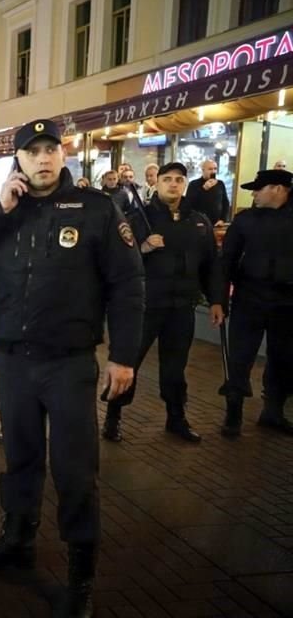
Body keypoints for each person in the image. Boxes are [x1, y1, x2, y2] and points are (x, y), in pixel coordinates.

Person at [0, 119, 144, 618]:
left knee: (75, 470)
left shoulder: (97, 208)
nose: (44, 159)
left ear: (63, 153)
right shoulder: (4, 210)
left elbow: (128, 285)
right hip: (13, 361)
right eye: (33, 153)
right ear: (19, 161)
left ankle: (81, 572)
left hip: (69, 363)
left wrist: (123, 356)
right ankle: (17, 538)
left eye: (51, 149)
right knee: (21, 459)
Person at [102, 162, 225, 443]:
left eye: (179, 180)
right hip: (144, 307)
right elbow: (117, 263)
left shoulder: (198, 221)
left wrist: (216, 300)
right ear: (156, 183)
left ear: (184, 184)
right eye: (167, 179)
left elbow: (210, 265)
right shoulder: (136, 218)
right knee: (128, 362)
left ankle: (176, 417)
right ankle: (113, 415)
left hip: (182, 306)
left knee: (175, 366)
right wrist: (143, 248)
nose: (173, 184)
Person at [219, 168, 293, 437]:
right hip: (249, 297)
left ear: (277, 189)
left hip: (287, 302)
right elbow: (226, 260)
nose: (253, 193)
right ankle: (233, 413)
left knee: (283, 359)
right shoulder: (245, 220)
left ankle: (273, 412)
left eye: (258, 188)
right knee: (240, 357)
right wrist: (218, 300)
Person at [184, 160, 230, 226]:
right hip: (199, 224)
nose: (213, 171)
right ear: (203, 170)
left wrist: (223, 219)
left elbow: (225, 203)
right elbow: (189, 204)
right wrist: (203, 189)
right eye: (210, 169)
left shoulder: (220, 183)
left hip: (217, 223)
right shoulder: (194, 184)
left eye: (215, 169)